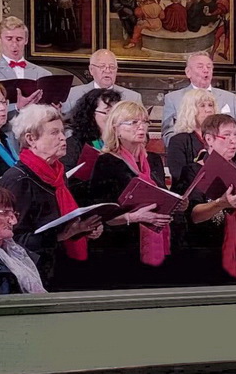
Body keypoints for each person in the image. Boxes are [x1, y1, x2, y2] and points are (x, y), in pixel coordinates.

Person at [0, 104, 103, 289]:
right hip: (35, 274)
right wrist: (63, 235)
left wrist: (84, 228)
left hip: (63, 266)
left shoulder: (57, 172)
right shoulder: (18, 179)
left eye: (62, 132)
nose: (63, 138)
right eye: (54, 133)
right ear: (31, 139)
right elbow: (12, 239)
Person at [88, 101, 178, 288]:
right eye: (133, 122)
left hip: (159, 238)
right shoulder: (107, 162)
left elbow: (162, 193)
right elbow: (101, 212)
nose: (141, 127)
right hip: (120, 245)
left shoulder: (153, 160)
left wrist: (175, 203)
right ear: (116, 129)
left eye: (144, 122)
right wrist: (134, 217)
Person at [175, 114, 236, 285]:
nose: (234, 141)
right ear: (209, 139)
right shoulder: (194, 171)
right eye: (227, 135)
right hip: (208, 251)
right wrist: (220, 203)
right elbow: (192, 216)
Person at [0, 16, 52, 110]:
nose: (14, 44)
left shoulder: (44, 74)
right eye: (9, 39)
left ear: (26, 40)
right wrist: (16, 107)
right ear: (0, 40)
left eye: (19, 39)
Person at [161, 52, 236, 145]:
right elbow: (167, 132)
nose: (206, 70)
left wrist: (230, 142)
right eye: (200, 67)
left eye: (209, 67)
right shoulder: (173, 98)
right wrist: (185, 145)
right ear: (188, 72)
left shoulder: (229, 98)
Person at [61, 49, 141, 114]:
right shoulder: (73, 94)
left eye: (112, 67)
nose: (107, 71)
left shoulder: (133, 98)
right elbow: (66, 125)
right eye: (102, 66)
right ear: (91, 70)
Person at [165, 89, 216, 185]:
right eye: (202, 106)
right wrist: (200, 164)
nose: (208, 110)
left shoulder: (219, 138)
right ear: (190, 110)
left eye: (210, 105)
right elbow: (178, 175)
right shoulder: (178, 141)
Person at [62, 89, 120, 170]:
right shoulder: (75, 143)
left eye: (116, 112)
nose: (112, 117)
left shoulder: (121, 141)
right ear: (91, 114)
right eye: (107, 112)